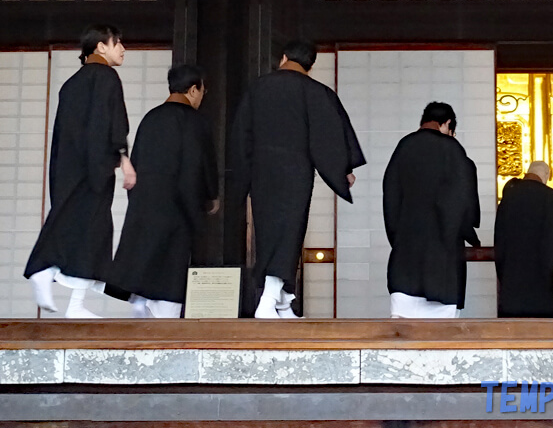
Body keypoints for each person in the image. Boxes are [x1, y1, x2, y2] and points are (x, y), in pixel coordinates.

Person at [230, 40, 365, 319]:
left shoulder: (258, 88)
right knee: (290, 232)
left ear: (283, 58)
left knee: (268, 232)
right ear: (310, 65)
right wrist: (342, 169)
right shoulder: (316, 91)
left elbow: (241, 134)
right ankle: (268, 301)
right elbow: (327, 137)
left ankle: (282, 301)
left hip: (262, 171)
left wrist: (240, 177)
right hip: (296, 172)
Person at [24, 24, 136, 318]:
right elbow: (112, 121)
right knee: (92, 230)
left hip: (67, 166)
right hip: (94, 167)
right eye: (118, 42)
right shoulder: (107, 77)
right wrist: (123, 158)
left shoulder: (72, 83)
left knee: (78, 226)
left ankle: (68, 297)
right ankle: (42, 267)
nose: (123, 49)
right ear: (101, 46)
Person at [105, 64, 219, 318]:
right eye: (202, 90)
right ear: (192, 90)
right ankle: (163, 319)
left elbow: (137, 162)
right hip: (177, 205)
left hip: (146, 205)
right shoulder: (196, 122)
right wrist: (211, 196)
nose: (202, 96)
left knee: (144, 258)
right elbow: (204, 164)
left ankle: (140, 301)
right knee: (171, 269)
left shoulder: (151, 118)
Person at [383, 101, 480, 319]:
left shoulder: (404, 147)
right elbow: (463, 200)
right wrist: (462, 230)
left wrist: (398, 238)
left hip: (406, 257)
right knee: (441, 337)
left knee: (402, 332)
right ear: (447, 124)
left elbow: (390, 197)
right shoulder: (452, 149)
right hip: (441, 260)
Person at [494, 161, 553, 317]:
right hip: (541, 272)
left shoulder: (509, 197)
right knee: (540, 317)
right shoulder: (552, 197)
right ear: (546, 175)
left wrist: (501, 265)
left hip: (512, 271)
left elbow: (499, 235)